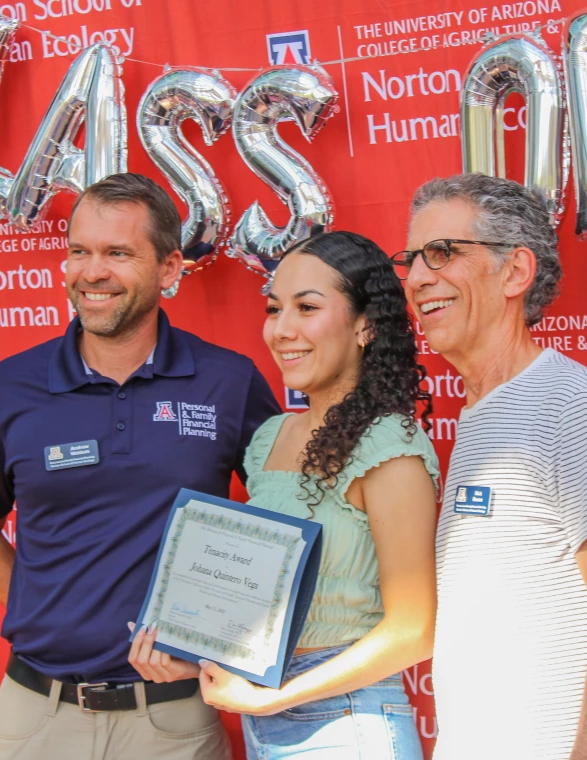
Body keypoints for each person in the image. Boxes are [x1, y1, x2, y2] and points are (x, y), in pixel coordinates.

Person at [0, 173, 281, 760]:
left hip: (173, 720)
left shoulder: (228, 382)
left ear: (170, 269)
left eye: (118, 253)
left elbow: (283, 524)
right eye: (80, 251)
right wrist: (45, 607)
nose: (91, 272)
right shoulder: (10, 387)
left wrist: (221, 635)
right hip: (35, 715)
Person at [128, 231, 440, 759]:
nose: (283, 329)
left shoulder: (391, 444)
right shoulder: (272, 436)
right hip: (268, 716)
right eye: (275, 308)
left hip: (349, 722)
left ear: (365, 325)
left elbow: (414, 630)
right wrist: (195, 658)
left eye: (307, 307)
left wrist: (275, 697)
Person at [396, 174, 587, 760]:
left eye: (442, 252)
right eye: (413, 259)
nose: (417, 277)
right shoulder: (479, 414)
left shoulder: (578, 405)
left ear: (515, 273)